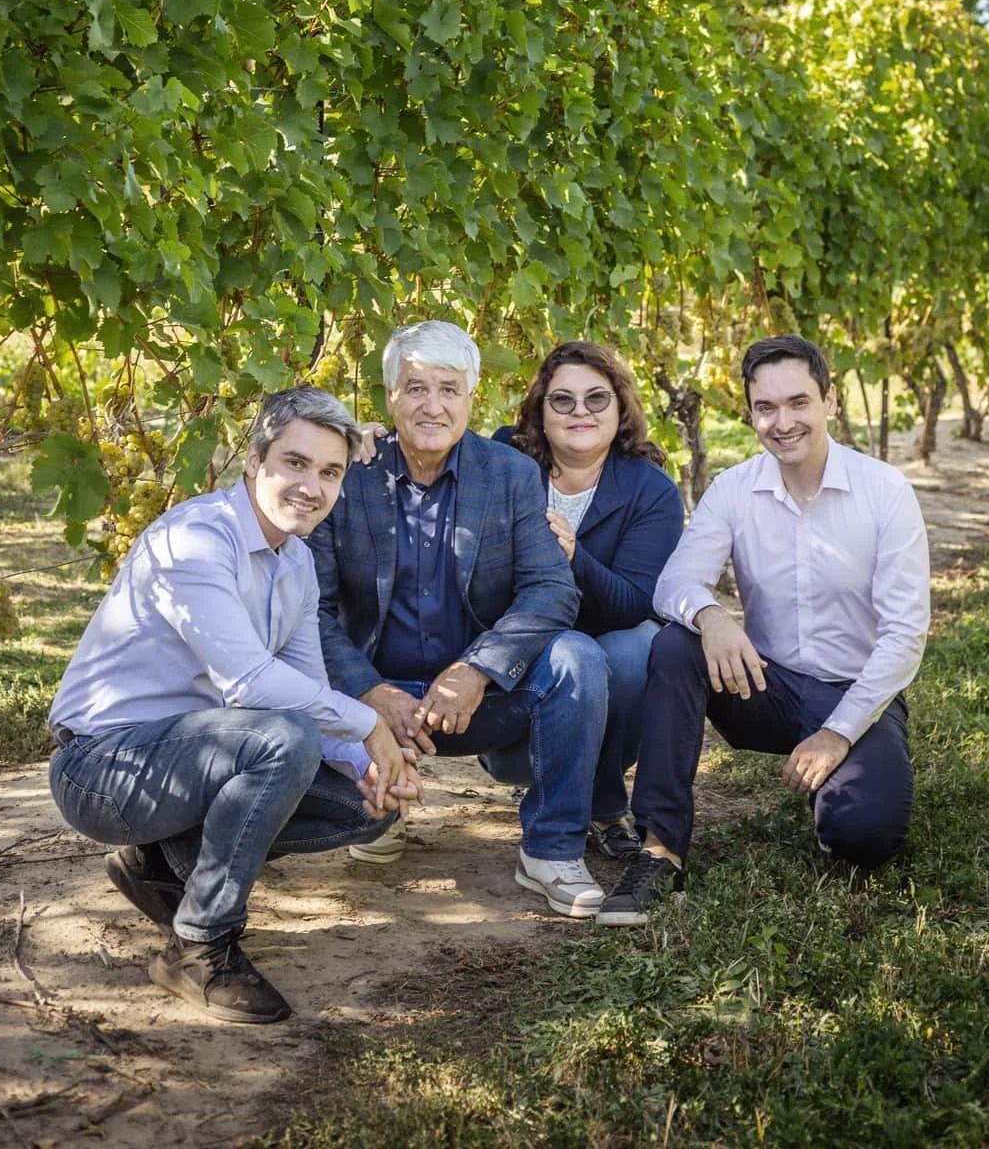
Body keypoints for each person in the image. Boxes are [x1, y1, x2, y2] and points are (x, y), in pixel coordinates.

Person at [48, 387, 419, 1025]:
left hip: (193, 758)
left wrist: (367, 763)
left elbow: (304, 685)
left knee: (365, 811)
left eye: (329, 472)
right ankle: (197, 945)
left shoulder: (295, 562)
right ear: (254, 461)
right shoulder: (195, 539)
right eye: (295, 463)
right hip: (103, 769)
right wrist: (371, 724)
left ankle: (159, 862)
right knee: (282, 740)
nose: (312, 486)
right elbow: (252, 684)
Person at [597, 333, 930, 925]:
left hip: (853, 694)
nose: (783, 422)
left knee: (866, 839)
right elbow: (673, 584)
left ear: (829, 401)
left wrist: (837, 734)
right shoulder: (734, 489)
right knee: (676, 645)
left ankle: (835, 794)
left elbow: (906, 636)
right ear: (750, 414)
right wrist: (712, 616)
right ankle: (660, 848)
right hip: (763, 686)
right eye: (765, 408)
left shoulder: (885, 492)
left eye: (798, 402)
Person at [308, 320, 610, 919]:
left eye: (449, 389)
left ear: (472, 397)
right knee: (361, 827)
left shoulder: (511, 475)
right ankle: (373, 803)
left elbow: (551, 588)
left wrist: (478, 670)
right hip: (371, 705)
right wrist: (370, 690)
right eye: (415, 388)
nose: (432, 405)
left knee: (579, 658)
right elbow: (306, 609)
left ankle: (550, 851)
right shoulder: (345, 475)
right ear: (389, 397)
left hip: (473, 700)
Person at [491, 341, 685, 859]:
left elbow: (635, 602)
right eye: (563, 400)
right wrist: (378, 438)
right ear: (539, 410)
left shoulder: (651, 490)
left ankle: (599, 800)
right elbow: (433, 447)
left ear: (620, 408)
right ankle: (544, 777)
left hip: (602, 667)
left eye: (597, 399)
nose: (580, 411)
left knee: (638, 647)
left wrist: (575, 556)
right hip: (516, 660)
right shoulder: (504, 457)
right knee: (568, 656)